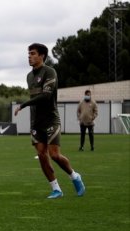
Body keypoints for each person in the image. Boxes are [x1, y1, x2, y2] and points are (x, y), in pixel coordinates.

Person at [14, 43, 85, 199]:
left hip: (51, 120)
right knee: (41, 154)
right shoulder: (29, 76)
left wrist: (24, 105)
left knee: (54, 155)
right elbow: (35, 97)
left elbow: (46, 96)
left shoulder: (50, 72)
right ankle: (56, 189)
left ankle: (74, 176)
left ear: (42, 56)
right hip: (36, 122)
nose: (29, 56)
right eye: (28, 54)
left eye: (33, 53)